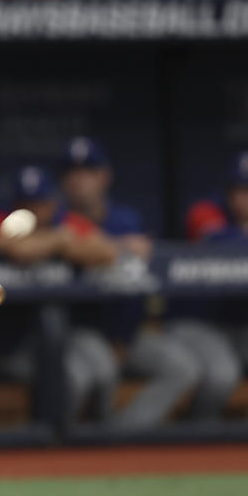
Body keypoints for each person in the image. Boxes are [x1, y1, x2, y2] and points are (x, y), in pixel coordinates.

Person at [0, 165, 119, 430]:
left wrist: (60, 240)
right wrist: (61, 242)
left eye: (40, 203)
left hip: (20, 342)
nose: (34, 211)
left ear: (52, 202)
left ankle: (44, 453)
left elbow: (106, 252)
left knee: (73, 375)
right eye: (25, 204)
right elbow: (16, 249)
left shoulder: (64, 221)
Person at [58, 137, 200, 428]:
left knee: (183, 368)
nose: (78, 181)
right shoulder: (56, 221)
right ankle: (64, 447)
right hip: (80, 332)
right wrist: (118, 246)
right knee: (92, 371)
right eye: (71, 173)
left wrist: (125, 336)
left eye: (87, 172)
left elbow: (140, 282)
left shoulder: (127, 219)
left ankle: (121, 434)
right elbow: (74, 244)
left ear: (104, 176)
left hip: (127, 332)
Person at [169, 150, 248, 415]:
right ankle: (198, 437)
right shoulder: (204, 210)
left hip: (245, 328)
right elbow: (216, 242)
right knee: (222, 376)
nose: (241, 198)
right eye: (235, 189)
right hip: (197, 324)